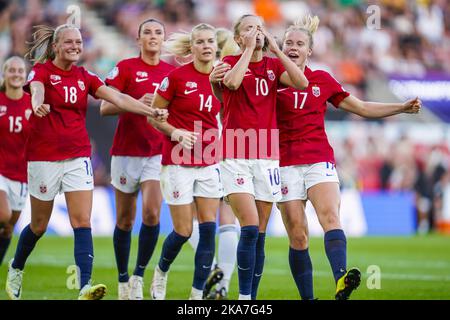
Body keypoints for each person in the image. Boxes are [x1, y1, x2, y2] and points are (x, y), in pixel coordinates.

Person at [5, 24, 167, 300]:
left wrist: (149, 110)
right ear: (56, 46)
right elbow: (37, 91)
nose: (75, 46)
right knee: (39, 225)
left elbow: (116, 97)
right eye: (68, 42)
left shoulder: (86, 77)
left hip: (78, 156)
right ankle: (16, 267)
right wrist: (36, 104)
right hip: (44, 158)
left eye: (79, 42)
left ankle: (84, 287)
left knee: (82, 221)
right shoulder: (43, 72)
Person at [275, 15, 421, 300]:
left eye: (299, 43)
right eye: (288, 42)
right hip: (283, 165)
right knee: (298, 235)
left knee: (330, 216)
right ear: (281, 47)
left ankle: (341, 281)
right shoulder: (271, 81)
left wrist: (401, 107)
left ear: (309, 51)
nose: (293, 46)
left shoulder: (322, 80)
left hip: (319, 160)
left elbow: (362, 107)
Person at [209, 14, 308, 300]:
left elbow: (301, 82)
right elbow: (232, 83)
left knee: (260, 232)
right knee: (250, 226)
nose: (257, 31)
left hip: (267, 155)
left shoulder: (273, 66)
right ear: (239, 38)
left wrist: (276, 49)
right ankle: (242, 298)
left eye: (260, 27)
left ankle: (249, 297)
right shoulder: (228, 64)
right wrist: (248, 51)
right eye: (249, 28)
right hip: (235, 153)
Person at [100, 18, 175, 300]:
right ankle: (121, 279)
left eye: (158, 32)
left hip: (157, 153)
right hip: (125, 152)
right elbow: (105, 107)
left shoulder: (172, 74)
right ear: (139, 39)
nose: (153, 36)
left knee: (152, 214)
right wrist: (135, 103)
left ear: (163, 39)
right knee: (124, 221)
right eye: (147, 32)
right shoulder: (125, 69)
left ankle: (138, 276)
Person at [149, 23, 224, 300]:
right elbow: (153, 116)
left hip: (209, 162)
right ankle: (161, 272)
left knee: (207, 230)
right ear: (191, 47)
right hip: (178, 162)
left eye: (210, 41)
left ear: (216, 46)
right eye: (200, 42)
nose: (206, 46)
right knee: (183, 231)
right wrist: (175, 132)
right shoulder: (177, 77)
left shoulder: (223, 78)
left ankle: (196, 295)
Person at [187, 28, 240, 300]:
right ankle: (223, 283)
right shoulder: (233, 70)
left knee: (196, 220)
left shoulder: (210, 74)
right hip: (233, 150)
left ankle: (212, 271)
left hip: (206, 152)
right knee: (228, 219)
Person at [0, 56, 31, 266]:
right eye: (12, 70)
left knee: (9, 227)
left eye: (20, 71)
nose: (16, 74)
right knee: (3, 215)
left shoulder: (33, 102)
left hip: (21, 174)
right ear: (4, 74)